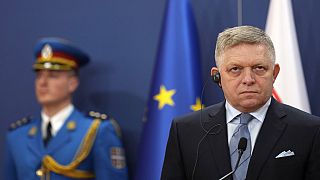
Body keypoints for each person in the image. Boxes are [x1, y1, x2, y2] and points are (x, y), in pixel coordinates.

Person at [161, 26, 320, 180]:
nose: (248, 80)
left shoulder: (310, 130)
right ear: (217, 76)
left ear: (274, 73)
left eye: (259, 68)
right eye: (235, 69)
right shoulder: (185, 131)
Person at [4, 38, 128, 180]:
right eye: (39, 76)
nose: (43, 83)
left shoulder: (96, 131)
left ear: (72, 84)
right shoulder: (17, 136)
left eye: (53, 76)